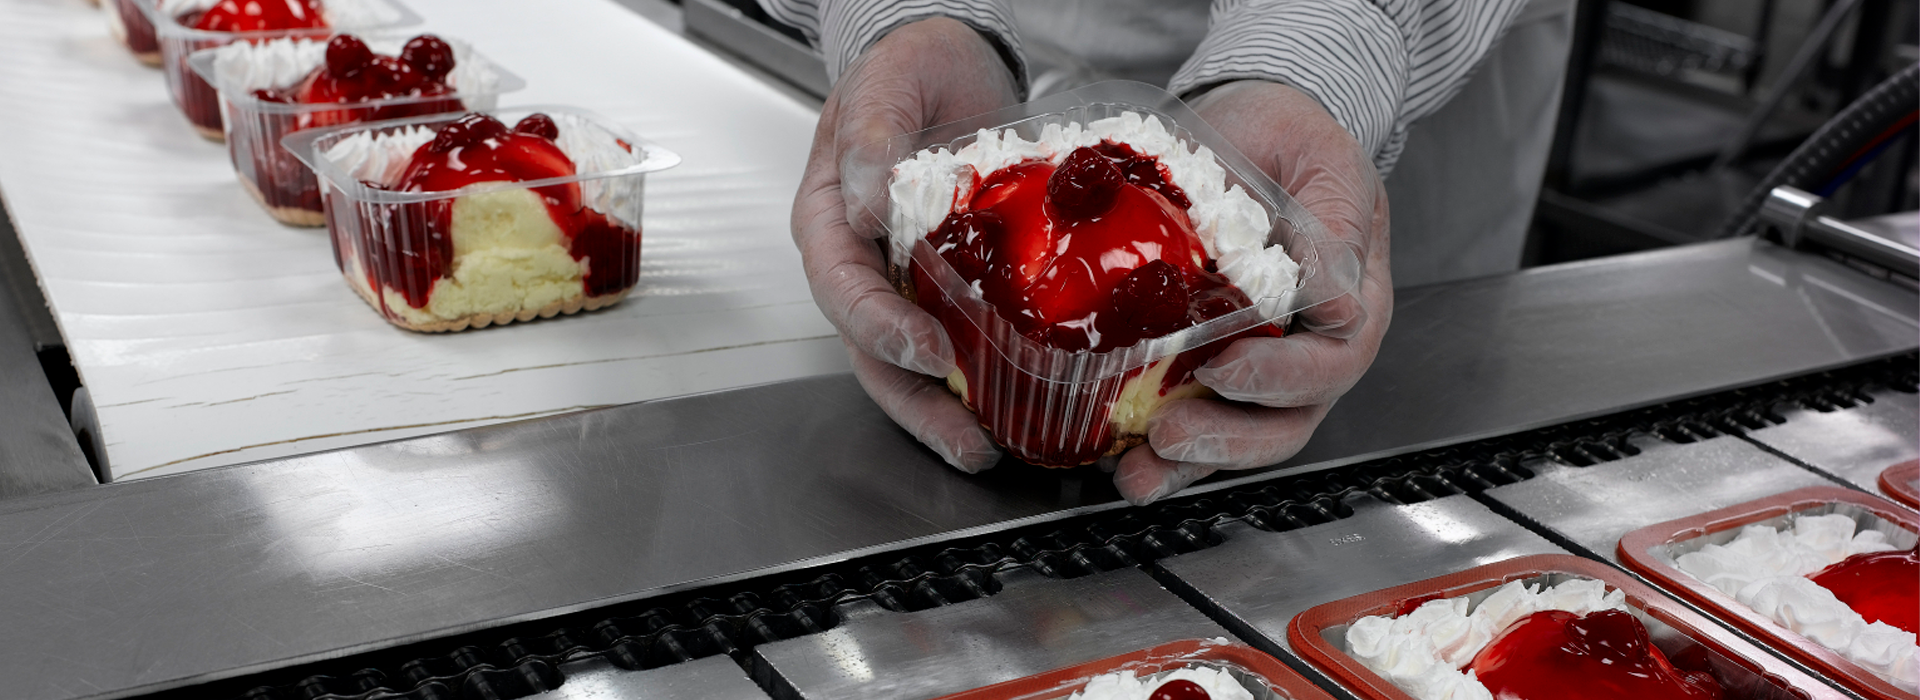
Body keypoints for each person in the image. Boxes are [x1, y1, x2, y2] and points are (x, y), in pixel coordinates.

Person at [763, 0, 1574, 504]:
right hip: (1019, 65)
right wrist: (905, 15)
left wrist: (1311, 59)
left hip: (1402, 66)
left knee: (1390, 451)